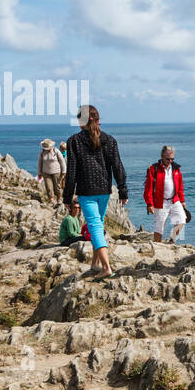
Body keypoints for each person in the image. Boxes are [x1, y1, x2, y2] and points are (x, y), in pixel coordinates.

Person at [61, 105, 128, 278]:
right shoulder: (110, 140)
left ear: (80, 122)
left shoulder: (74, 141)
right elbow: (118, 166)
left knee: (95, 228)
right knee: (97, 226)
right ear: (98, 120)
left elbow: (72, 172)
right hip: (104, 191)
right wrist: (122, 190)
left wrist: (67, 197)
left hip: (86, 191)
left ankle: (106, 268)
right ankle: (95, 264)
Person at [143, 145, 188, 244]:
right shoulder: (153, 168)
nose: (170, 161)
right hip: (160, 202)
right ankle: (157, 246)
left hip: (174, 200)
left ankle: (172, 240)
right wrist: (149, 204)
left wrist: (182, 200)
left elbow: (180, 185)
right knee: (159, 227)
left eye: (172, 159)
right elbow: (148, 189)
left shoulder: (176, 168)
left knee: (181, 220)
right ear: (162, 156)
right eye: (168, 159)